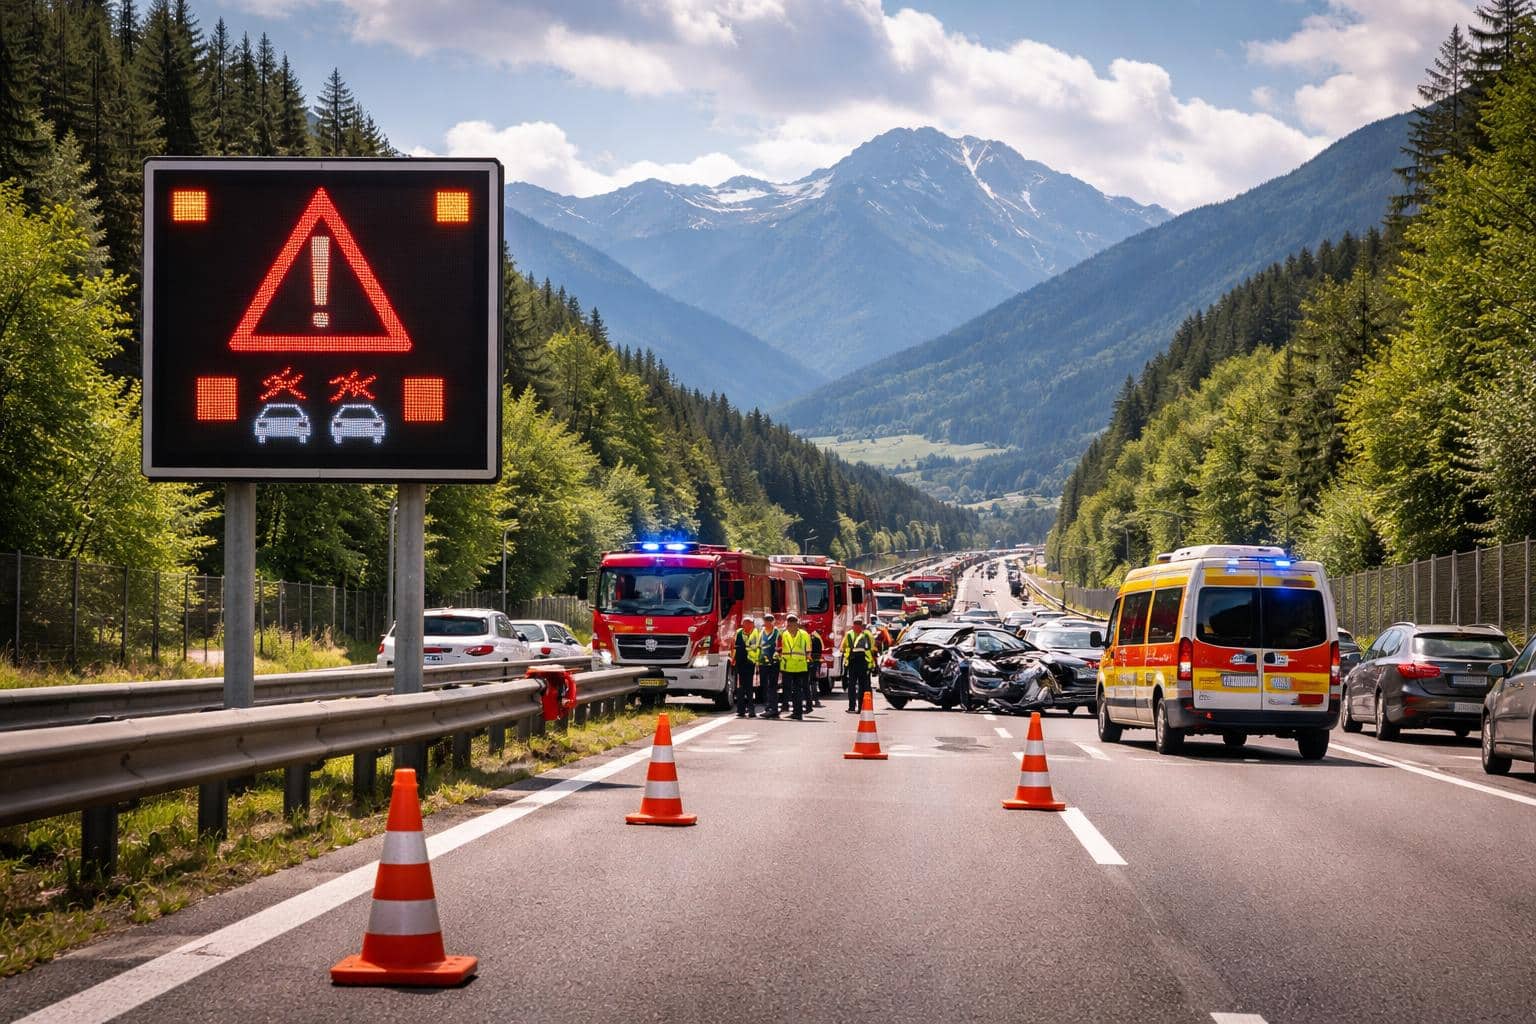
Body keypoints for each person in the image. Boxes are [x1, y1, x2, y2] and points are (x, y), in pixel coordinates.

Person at [777, 614, 813, 720]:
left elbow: (808, 650)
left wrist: (808, 660)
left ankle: (798, 712)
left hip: (799, 666)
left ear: (797, 624)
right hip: (787, 666)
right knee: (788, 689)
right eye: (789, 623)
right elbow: (783, 648)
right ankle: (790, 708)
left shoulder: (804, 634)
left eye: (793, 623)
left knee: (797, 690)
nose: (791, 625)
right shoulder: (784, 634)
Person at [842, 617, 877, 713]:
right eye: (856, 624)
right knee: (859, 685)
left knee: (857, 685)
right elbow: (873, 648)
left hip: (860, 662)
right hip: (858, 662)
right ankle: (857, 707)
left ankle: (857, 707)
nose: (857, 626)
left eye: (858, 624)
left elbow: (843, 647)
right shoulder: (866, 634)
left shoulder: (852, 634)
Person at [732, 615, 759, 718]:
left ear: (752, 624)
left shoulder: (756, 633)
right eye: (746, 622)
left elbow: (757, 647)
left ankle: (751, 710)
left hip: (750, 663)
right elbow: (733, 647)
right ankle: (741, 710)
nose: (748, 624)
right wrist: (733, 660)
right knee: (740, 688)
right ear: (743, 624)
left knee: (749, 687)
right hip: (740, 663)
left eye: (750, 622)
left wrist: (756, 660)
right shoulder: (738, 632)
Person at [757, 613, 782, 718]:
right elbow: (759, 647)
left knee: (772, 686)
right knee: (765, 686)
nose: (767, 622)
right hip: (763, 663)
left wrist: (777, 656)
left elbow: (781, 647)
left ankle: (773, 708)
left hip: (774, 663)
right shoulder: (761, 632)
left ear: (773, 621)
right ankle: (768, 708)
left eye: (770, 620)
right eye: (766, 620)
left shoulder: (777, 633)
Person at [808, 631, 825, 709]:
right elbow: (820, 652)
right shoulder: (817, 639)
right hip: (815, 662)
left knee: (810, 682)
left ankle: (812, 701)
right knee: (813, 682)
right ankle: (815, 701)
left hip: (809, 663)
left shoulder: (808, 638)